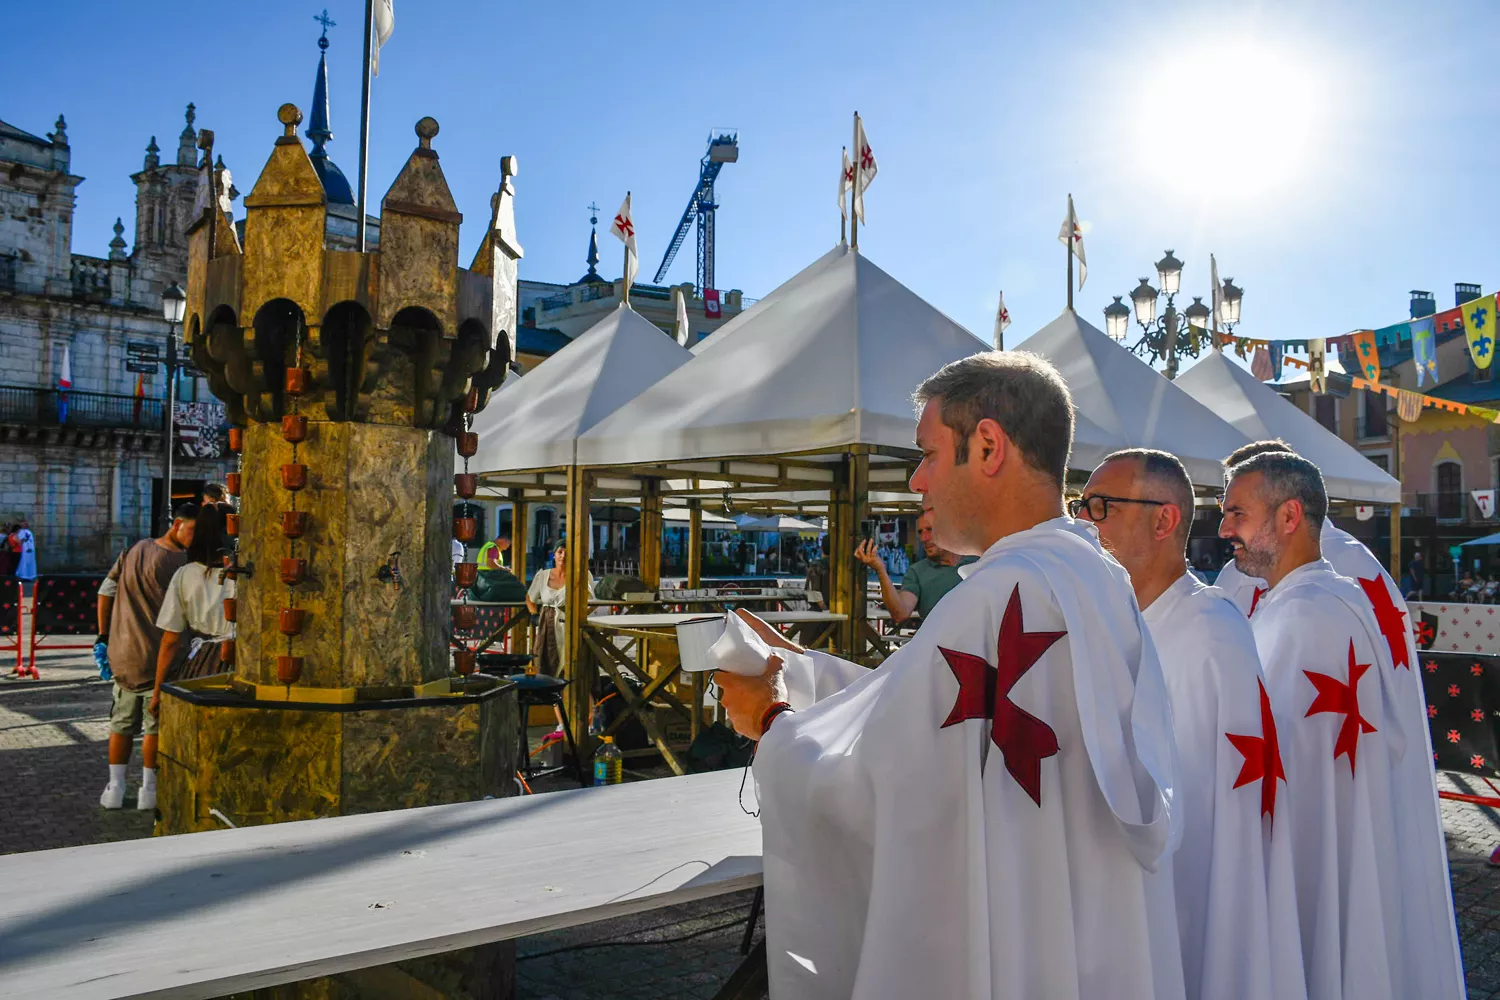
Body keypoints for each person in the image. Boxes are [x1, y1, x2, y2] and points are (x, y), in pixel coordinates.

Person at [717, 352, 1185, 1000]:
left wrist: (769, 723)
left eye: (929, 454)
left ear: (988, 446)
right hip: (1083, 946)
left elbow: (880, 791)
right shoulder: (1098, 582)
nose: (916, 481)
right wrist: (800, 670)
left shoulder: (993, 597)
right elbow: (928, 705)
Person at [1216, 442, 1464, 997]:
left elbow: (1256, 761)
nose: (1224, 529)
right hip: (1351, 817)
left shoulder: (1299, 617)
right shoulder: (1341, 597)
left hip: (1306, 843)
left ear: (1289, 515)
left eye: (1237, 513)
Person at [1077, 450, 1303, 1000]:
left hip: (1186, 902)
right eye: (1080, 506)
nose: (1084, 522)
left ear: (1164, 520)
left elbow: (1212, 822)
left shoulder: (1208, 633)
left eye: (1101, 506)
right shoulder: (1114, 621)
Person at [95, 503, 196, 811]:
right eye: (193, 531)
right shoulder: (183, 563)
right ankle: (149, 791)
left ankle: (115, 787)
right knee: (154, 727)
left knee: (121, 723)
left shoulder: (133, 550)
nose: (195, 538)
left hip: (123, 655)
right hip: (160, 658)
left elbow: (105, 592)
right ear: (177, 524)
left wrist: (103, 636)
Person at [150, 503, 237, 729]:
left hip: (202, 665)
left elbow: (170, 639)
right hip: (243, 663)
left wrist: (158, 690)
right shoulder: (248, 573)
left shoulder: (185, 575)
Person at [855, 511, 975, 626]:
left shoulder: (979, 561)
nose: (924, 538)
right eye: (920, 532)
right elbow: (900, 613)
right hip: (937, 646)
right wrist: (880, 570)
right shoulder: (917, 572)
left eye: (929, 529)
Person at [525, 542, 595, 676]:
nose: (563, 556)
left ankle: (572, 694)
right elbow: (529, 598)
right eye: (560, 552)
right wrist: (534, 615)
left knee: (573, 664)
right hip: (548, 624)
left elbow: (592, 602)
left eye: (568, 553)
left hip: (572, 625)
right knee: (545, 661)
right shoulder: (543, 575)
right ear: (554, 555)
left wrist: (581, 616)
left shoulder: (582, 575)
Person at [11, 519, 36, 594]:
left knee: (30, 563)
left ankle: (31, 576)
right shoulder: (20, 532)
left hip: (30, 551)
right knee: (23, 563)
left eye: (26, 523)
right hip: (23, 551)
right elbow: (19, 541)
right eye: (24, 524)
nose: (25, 525)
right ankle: (23, 575)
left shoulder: (29, 532)